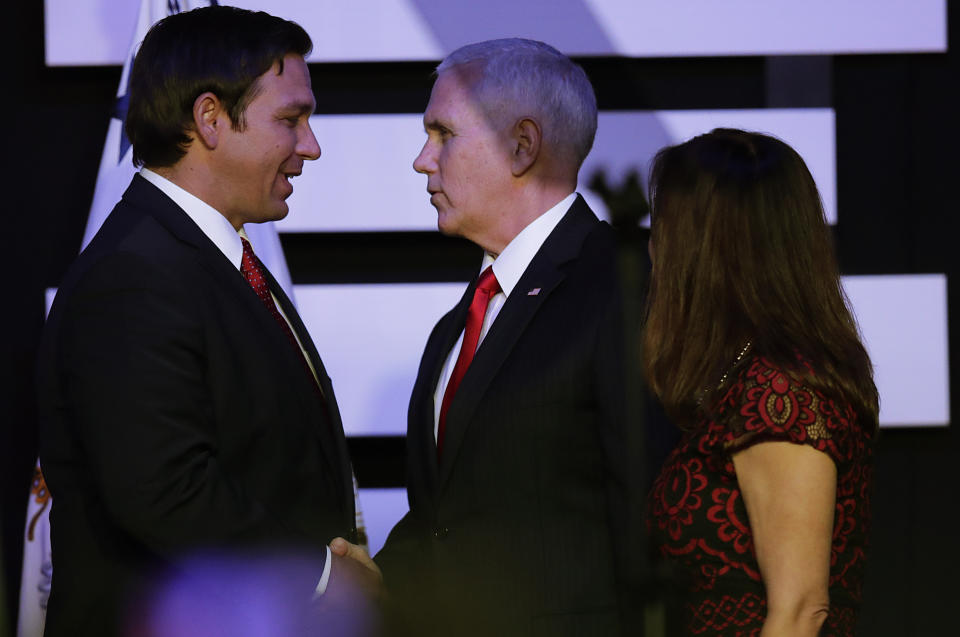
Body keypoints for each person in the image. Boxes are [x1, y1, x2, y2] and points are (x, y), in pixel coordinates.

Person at [36, 7, 378, 637]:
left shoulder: (205, 258)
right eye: (291, 118)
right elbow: (164, 491)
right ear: (210, 118)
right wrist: (324, 578)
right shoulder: (133, 275)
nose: (312, 144)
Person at [360, 38, 644, 636]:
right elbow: (445, 521)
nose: (421, 159)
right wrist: (360, 586)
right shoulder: (459, 323)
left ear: (522, 146)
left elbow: (648, 516)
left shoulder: (621, 287)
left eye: (443, 134)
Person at [643, 128, 878, 636]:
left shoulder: (781, 392)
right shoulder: (743, 382)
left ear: (706, 247)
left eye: (665, 225)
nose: (653, 245)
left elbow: (799, 611)